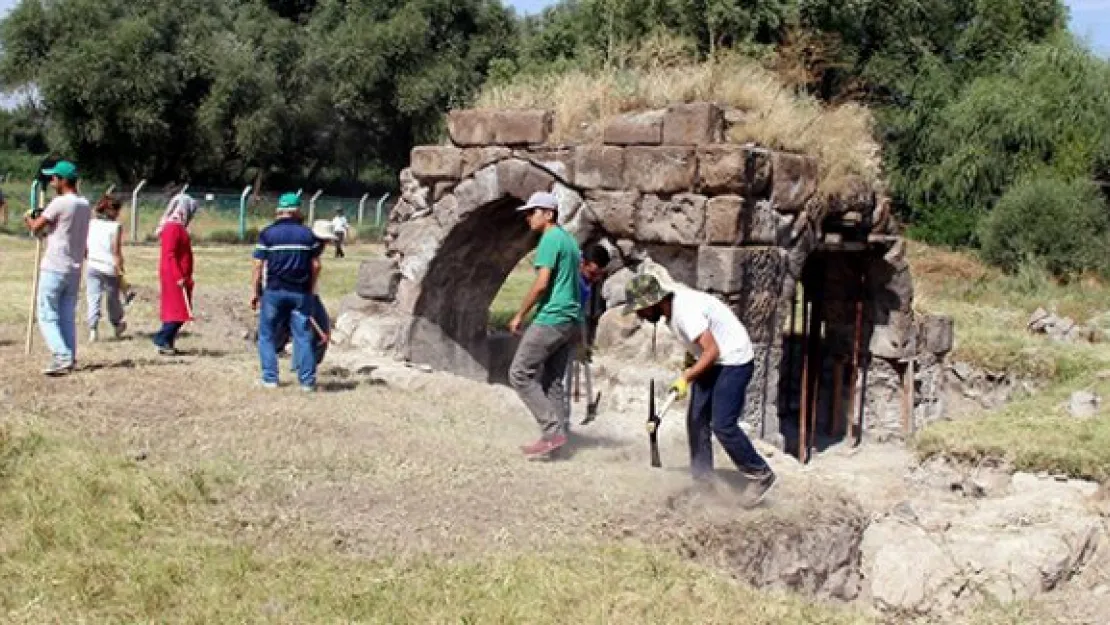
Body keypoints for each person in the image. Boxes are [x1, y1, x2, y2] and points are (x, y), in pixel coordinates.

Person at [624, 274, 777, 503]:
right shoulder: (671, 314)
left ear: (654, 302)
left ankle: (759, 473)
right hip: (713, 360)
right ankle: (703, 481)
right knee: (696, 419)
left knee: (722, 424)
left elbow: (712, 350)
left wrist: (687, 377)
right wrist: (691, 365)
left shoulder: (685, 313)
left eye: (641, 309)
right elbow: (702, 349)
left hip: (733, 359)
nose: (639, 315)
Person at [508, 191, 582, 459]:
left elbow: (541, 284)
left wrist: (520, 315)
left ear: (548, 214)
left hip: (552, 317)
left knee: (519, 373)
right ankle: (560, 440)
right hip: (570, 320)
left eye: (532, 212)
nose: (528, 217)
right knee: (552, 381)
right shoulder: (570, 242)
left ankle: (552, 433)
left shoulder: (550, 239)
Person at [24, 160, 91, 375]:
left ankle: (61, 355)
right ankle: (69, 355)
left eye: (54, 178)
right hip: (74, 267)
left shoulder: (60, 203)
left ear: (63, 180)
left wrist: (29, 217)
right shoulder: (84, 204)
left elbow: (36, 228)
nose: (51, 181)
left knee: (46, 314)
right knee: (66, 315)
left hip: (54, 266)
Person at [251, 192, 323, 391]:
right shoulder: (308, 235)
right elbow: (316, 265)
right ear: (297, 210)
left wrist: (256, 291)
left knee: (267, 335)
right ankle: (307, 382)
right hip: (300, 292)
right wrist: (310, 287)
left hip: (274, 292)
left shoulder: (267, 234)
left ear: (279, 210)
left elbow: (258, 266)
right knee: (303, 336)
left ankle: (270, 378)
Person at [152, 194, 198, 355]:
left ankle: (167, 343)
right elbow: (170, 254)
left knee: (178, 309)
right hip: (174, 276)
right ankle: (161, 338)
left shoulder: (178, 227)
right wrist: (178, 276)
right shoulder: (172, 227)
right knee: (178, 311)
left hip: (180, 276)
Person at [85, 196, 128, 342]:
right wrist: (120, 266)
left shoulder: (91, 224)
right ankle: (116, 323)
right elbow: (116, 250)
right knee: (112, 299)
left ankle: (93, 328)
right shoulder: (115, 227)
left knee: (93, 297)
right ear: (113, 211)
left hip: (92, 264)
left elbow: (86, 245)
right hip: (108, 266)